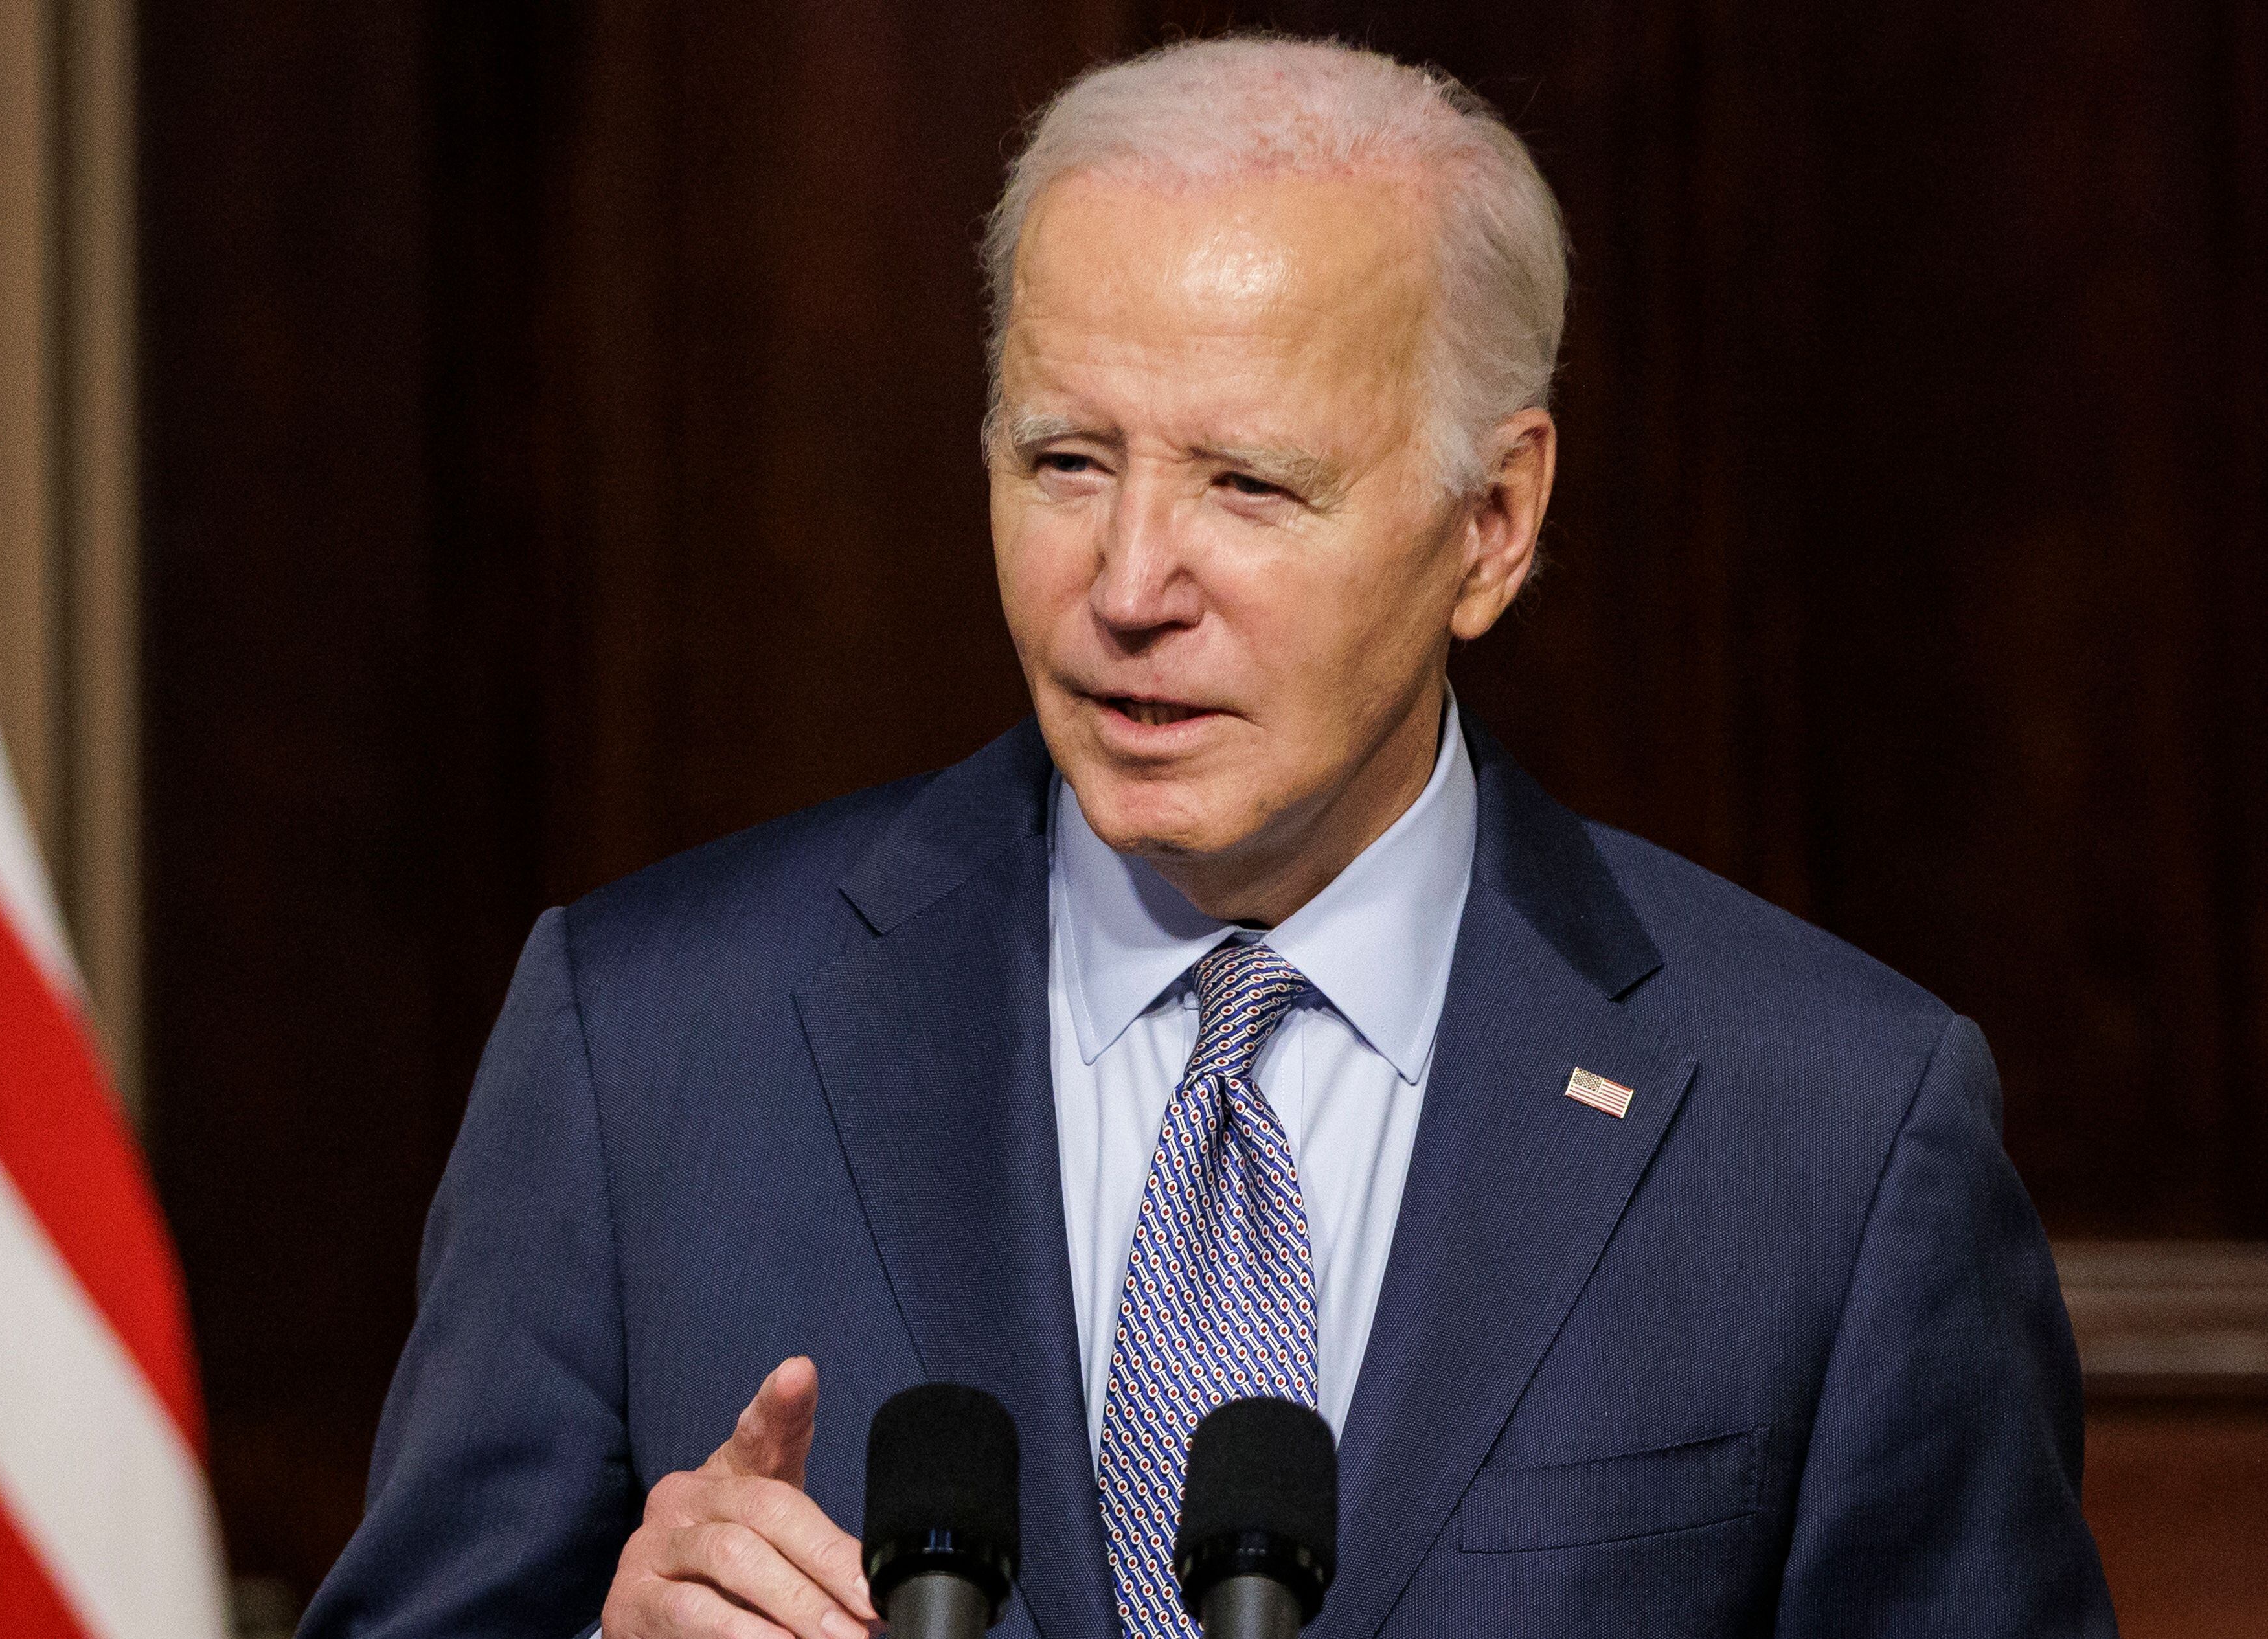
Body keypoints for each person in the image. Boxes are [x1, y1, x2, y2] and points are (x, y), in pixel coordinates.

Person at [302, 34, 2112, 1639]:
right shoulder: (644, 1044)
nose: (1126, 583)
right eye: (1065, 461)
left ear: (1491, 518)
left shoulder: (1830, 1128)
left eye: (1248, 484)